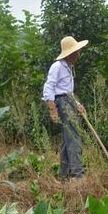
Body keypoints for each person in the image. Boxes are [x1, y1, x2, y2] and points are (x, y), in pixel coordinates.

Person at [42, 36, 89, 181]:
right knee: (74, 137)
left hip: (68, 100)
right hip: (62, 103)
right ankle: (77, 174)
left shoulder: (69, 67)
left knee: (68, 138)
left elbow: (67, 90)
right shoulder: (57, 66)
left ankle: (64, 175)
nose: (79, 54)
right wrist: (52, 109)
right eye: (77, 51)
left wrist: (77, 104)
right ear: (70, 53)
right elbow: (49, 87)